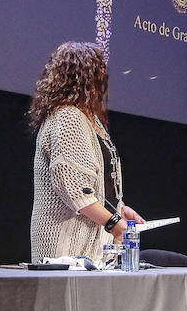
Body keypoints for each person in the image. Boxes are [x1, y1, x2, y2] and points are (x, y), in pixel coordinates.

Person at [28, 41, 143, 262]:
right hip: (65, 244)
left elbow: (97, 185)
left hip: (92, 243)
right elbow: (74, 187)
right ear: (87, 76)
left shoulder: (92, 122)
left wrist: (119, 209)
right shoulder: (67, 117)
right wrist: (113, 223)